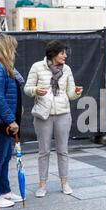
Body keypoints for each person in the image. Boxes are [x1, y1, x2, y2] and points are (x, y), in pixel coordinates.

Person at [24, 40, 83, 198]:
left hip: (63, 113)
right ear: (53, 54)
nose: (65, 55)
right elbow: (27, 89)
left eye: (65, 52)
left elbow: (70, 94)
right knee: (43, 151)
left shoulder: (67, 69)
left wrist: (77, 92)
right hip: (44, 114)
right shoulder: (37, 67)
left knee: (63, 150)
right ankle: (42, 184)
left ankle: (64, 182)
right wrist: (36, 90)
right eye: (62, 53)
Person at [0, 34, 25, 208]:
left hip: (6, 121)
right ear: (5, 48)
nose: (14, 51)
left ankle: (5, 191)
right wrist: (10, 119)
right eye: (12, 47)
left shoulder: (5, 67)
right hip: (0, 122)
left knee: (5, 157)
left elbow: (18, 83)